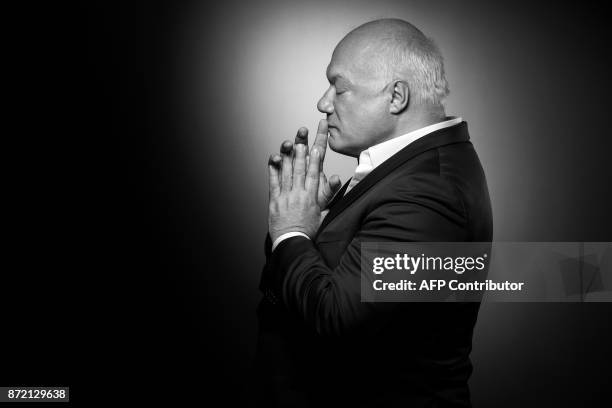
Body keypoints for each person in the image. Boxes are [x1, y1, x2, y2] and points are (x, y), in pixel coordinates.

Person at [255, 18, 492, 407]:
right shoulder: (408, 170)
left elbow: (338, 319)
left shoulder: (426, 191)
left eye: (339, 87)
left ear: (396, 96)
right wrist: (306, 230)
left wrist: (291, 233)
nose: (323, 103)